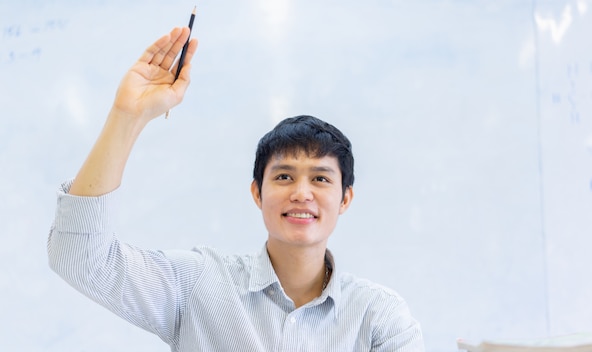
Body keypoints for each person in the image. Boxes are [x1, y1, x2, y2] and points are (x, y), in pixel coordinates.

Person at [48, 27, 424, 351]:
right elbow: (79, 256)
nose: (302, 193)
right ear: (257, 193)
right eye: (284, 176)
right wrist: (127, 115)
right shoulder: (198, 284)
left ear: (345, 199)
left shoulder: (380, 318)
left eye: (321, 178)